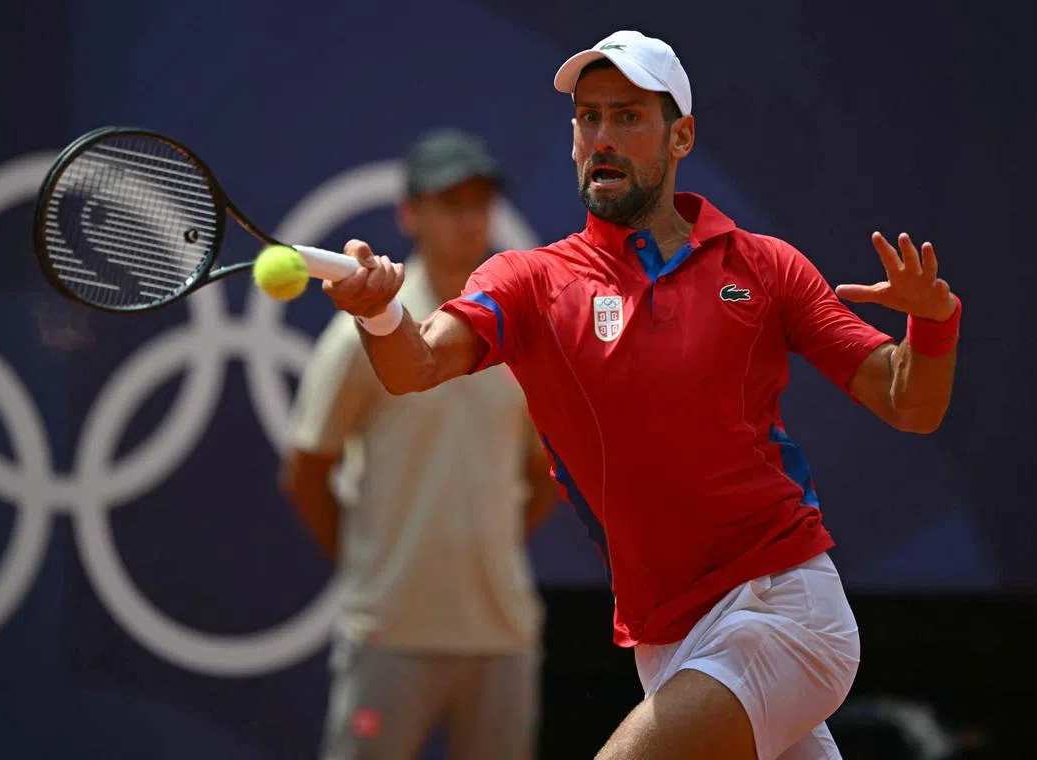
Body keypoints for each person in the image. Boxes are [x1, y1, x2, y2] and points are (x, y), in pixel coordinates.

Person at [316, 30, 962, 760]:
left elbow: (911, 402)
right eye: (588, 118)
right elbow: (416, 366)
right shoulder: (528, 280)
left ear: (680, 135)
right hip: (666, 644)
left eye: (628, 117)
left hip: (781, 609)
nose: (602, 137)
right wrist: (378, 313)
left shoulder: (764, 266)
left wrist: (933, 324)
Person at [280, 128, 558, 760]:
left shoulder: (523, 332)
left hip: (501, 633)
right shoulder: (362, 337)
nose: (470, 219)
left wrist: (487, 545)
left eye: (479, 202)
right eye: (450, 203)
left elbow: (547, 475)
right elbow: (306, 471)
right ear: (411, 214)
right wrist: (374, 564)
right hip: (389, 633)